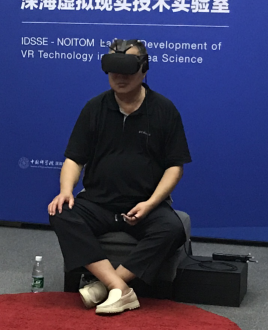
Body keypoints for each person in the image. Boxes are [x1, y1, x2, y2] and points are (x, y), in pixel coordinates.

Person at [48, 39, 191, 315]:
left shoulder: (164, 110)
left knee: (173, 229)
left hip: (144, 205)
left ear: (144, 70)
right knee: (61, 212)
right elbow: (74, 158)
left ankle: (105, 286)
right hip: (98, 202)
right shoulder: (94, 108)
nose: (120, 77)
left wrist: (150, 204)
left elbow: (175, 167)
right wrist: (66, 190)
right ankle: (119, 287)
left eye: (128, 70)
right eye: (114, 70)